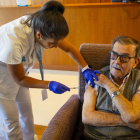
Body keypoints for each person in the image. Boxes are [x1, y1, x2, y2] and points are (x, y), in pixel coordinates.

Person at [0, 0, 98, 140]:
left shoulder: (44, 26)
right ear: (39, 35)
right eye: (53, 43)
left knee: (26, 112)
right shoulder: (13, 42)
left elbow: (69, 49)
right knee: (11, 121)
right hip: (2, 75)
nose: (56, 46)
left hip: (19, 70)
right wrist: (49, 84)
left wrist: (85, 68)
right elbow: (20, 79)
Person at [82, 35, 140, 140]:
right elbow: (86, 117)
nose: (116, 61)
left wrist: (108, 85)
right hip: (95, 137)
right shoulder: (95, 77)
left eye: (124, 58)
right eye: (114, 55)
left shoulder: (139, 79)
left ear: (135, 62)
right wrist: (127, 123)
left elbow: (130, 116)